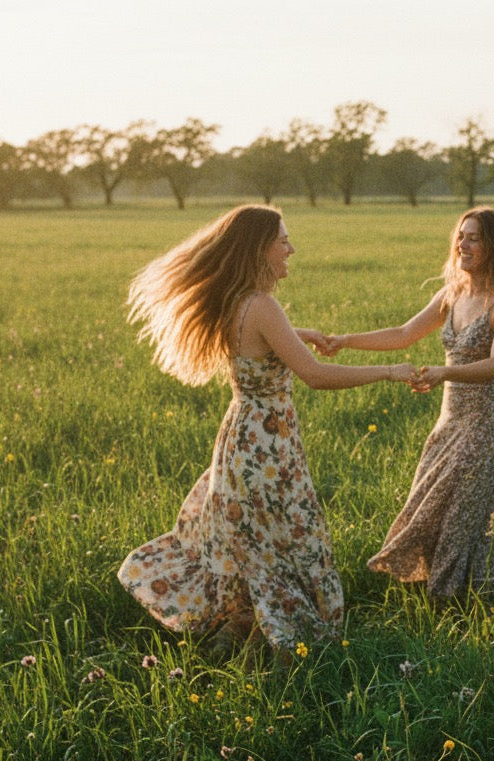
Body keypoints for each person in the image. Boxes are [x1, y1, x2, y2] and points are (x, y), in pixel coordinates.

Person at [117, 205, 416, 656]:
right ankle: (281, 631)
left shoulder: (237, 301)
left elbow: (261, 337)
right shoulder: (262, 305)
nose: (291, 248)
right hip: (268, 444)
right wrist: (390, 371)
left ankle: (243, 628)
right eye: (283, 241)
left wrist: (299, 332)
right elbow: (315, 375)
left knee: (255, 540)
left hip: (242, 438)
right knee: (287, 537)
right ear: (260, 249)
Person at [317, 207, 494, 599]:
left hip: (485, 426)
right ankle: (446, 585)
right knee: (435, 504)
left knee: (463, 515)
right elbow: (403, 334)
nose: (463, 244)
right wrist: (344, 340)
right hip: (449, 423)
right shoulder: (454, 294)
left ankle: (448, 594)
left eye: (474, 238)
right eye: (461, 236)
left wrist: (442, 372)